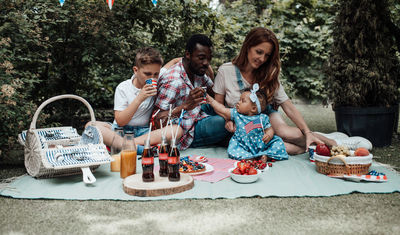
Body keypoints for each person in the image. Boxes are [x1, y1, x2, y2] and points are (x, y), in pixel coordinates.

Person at [213, 27, 340, 155]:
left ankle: (331, 143)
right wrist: (228, 120)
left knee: (284, 132)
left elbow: (288, 107)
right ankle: (314, 146)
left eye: (267, 55)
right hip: (242, 122)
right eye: (259, 52)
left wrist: (306, 131)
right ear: (247, 46)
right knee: (281, 147)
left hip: (266, 116)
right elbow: (218, 105)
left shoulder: (268, 74)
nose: (262, 59)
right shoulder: (226, 71)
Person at [134, 34, 230, 150]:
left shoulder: (198, 72)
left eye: (209, 59)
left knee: (229, 111)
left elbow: (216, 96)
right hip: (184, 129)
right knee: (222, 122)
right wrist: (185, 106)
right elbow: (157, 120)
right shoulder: (173, 81)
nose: (206, 63)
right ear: (188, 55)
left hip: (197, 114)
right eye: (201, 58)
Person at [88, 47, 181, 154]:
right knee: (91, 125)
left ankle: (126, 145)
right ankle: (140, 148)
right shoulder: (123, 88)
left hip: (144, 132)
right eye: (148, 74)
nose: (153, 78)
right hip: (121, 131)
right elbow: (120, 121)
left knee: (177, 129)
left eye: (156, 74)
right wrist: (139, 98)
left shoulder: (156, 77)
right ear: (135, 70)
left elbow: (169, 65)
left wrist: (176, 60)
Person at [207, 83, 289, 161]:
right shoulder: (236, 114)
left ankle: (266, 155)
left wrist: (269, 135)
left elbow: (269, 129)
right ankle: (249, 157)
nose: (238, 102)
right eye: (239, 100)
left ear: (253, 108)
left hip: (261, 144)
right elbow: (222, 110)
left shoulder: (262, 118)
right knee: (233, 149)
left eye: (243, 101)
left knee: (278, 143)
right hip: (242, 144)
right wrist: (210, 100)